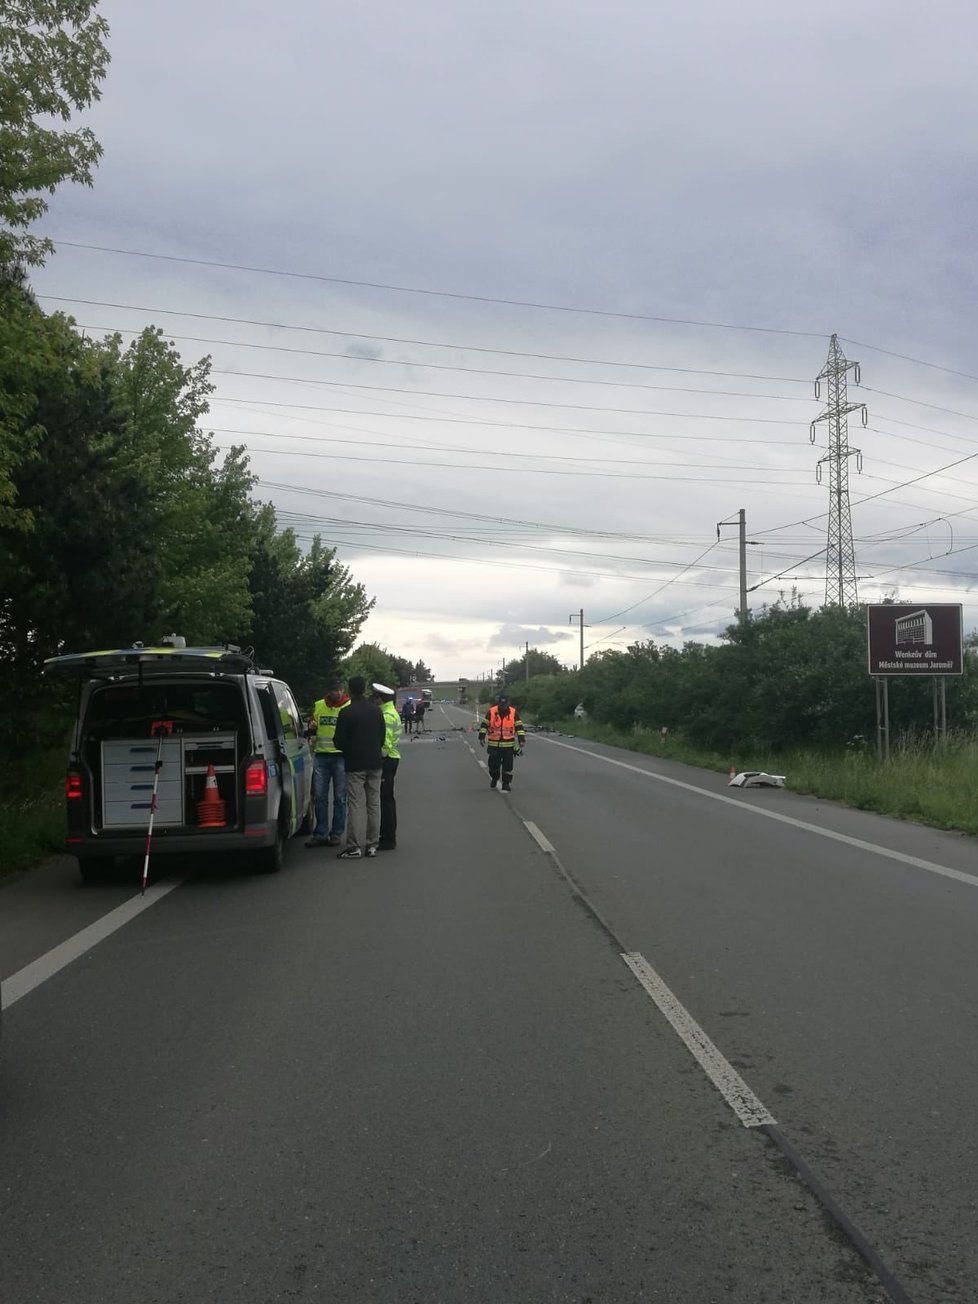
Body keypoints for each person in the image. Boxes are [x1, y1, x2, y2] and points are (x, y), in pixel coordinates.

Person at [332, 675, 386, 859]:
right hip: (375, 763)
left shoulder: (346, 713)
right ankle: (372, 845)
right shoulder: (376, 711)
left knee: (355, 805)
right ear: (365, 689)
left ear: (350, 690)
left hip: (354, 764)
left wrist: (349, 748)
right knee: (374, 804)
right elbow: (382, 738)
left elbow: (338, 741)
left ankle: (354, 846)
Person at [305, 679, 349, 848]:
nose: (336, 693)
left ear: (343, 690)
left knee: (340, 798)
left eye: (339, 690)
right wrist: (312, 725)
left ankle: (336, 834)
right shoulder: (319, 705)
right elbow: (312, 726)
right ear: (328, 691)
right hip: (321, 756)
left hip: (341, 757)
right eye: (333, 690)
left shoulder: (348, 706)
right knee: (320, 797)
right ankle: (320, 833)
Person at [372, 683, 401, 851]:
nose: (373, 701)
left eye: (375, 697)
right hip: (392, 758)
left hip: (387, 759)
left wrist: (379, 760)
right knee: (386, 799)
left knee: (386, 800)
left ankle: (388, 838)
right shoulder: (388, 712)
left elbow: (386, 743)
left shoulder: (387, 716)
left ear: (380, 698)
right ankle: (387, 836)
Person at [478, 693, 526, 792]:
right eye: (501, 704)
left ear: (508, 703)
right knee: (493, 766)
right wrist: (481, 737)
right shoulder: (491, 711)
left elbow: (519, 727)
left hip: (508, 746)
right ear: (498, 703)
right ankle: (494, 778)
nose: (503, 706)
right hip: (494, 745)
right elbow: (484, 725)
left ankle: (506, 783)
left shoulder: (513, 712)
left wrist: (521, 739)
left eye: (505, 704)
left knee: (508, 766)